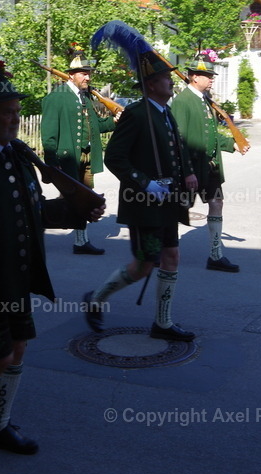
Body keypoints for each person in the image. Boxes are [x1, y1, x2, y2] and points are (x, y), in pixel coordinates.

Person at [0, 61, 103, 466]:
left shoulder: (17, 157)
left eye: (15, 111)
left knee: (18, 348)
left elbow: (33, 212)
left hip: (17, 277)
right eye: (6, 112)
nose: (14, 119)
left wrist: (77, 212)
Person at [83, 47, 199, 342]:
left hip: (168, 202)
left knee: (172, 255)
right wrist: (146, 184)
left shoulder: (166, 113)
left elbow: (177, 147)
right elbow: (115, 158)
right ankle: (95, 298)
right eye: (164, 78)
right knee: (144, 265)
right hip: (145, 203)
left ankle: (163, 323)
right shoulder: (136, 114)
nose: (171, 82)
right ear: (151, 85)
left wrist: (187, 171)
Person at [170, 51, 250, 273]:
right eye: (208, 75)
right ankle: (161, 251)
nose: (212, 78)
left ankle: (216, 255)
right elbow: (180, 141)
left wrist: (231, 144)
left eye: (212, 75)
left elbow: (211, 133)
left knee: (217, 202)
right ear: (194, 77)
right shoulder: (183, 101)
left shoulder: (205, 100)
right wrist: (187, 172)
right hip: (191, 169)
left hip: (210, 166)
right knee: (178, 209)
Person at [40, 46, 116, 255]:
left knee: (85, 198)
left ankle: (81, 240)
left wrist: (115, 121)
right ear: (71, 75)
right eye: (84, 73)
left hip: (88, 157)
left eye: (89, 73)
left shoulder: (86, 97)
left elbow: (97, 126)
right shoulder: (57, 97)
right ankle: (66, 233)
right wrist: (51, 163)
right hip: (68, 158)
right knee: (71, 198)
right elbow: (48, 134)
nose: (88, 77)